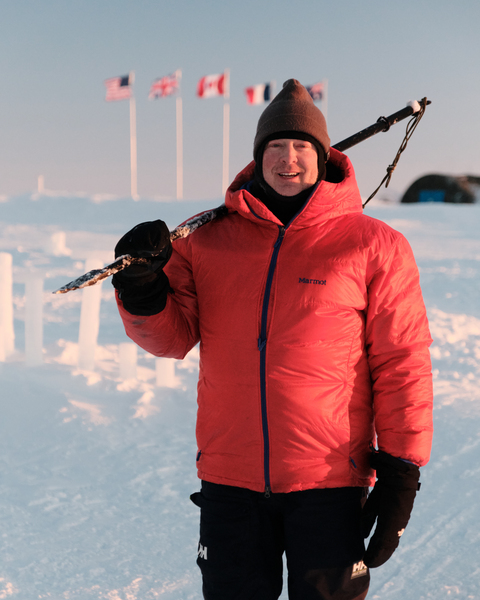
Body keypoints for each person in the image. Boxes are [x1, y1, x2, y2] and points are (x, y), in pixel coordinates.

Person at [112, 79, 434, 600]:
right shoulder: (207, 242)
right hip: (229, 480)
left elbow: (402, 361)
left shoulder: (375, 245)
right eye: (276, 147)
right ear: (258, 157)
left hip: (329, 480)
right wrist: (142, 287)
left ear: (323, 156)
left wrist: (401, 470)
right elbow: (170, 339)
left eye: (301, 146)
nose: (288, 159)